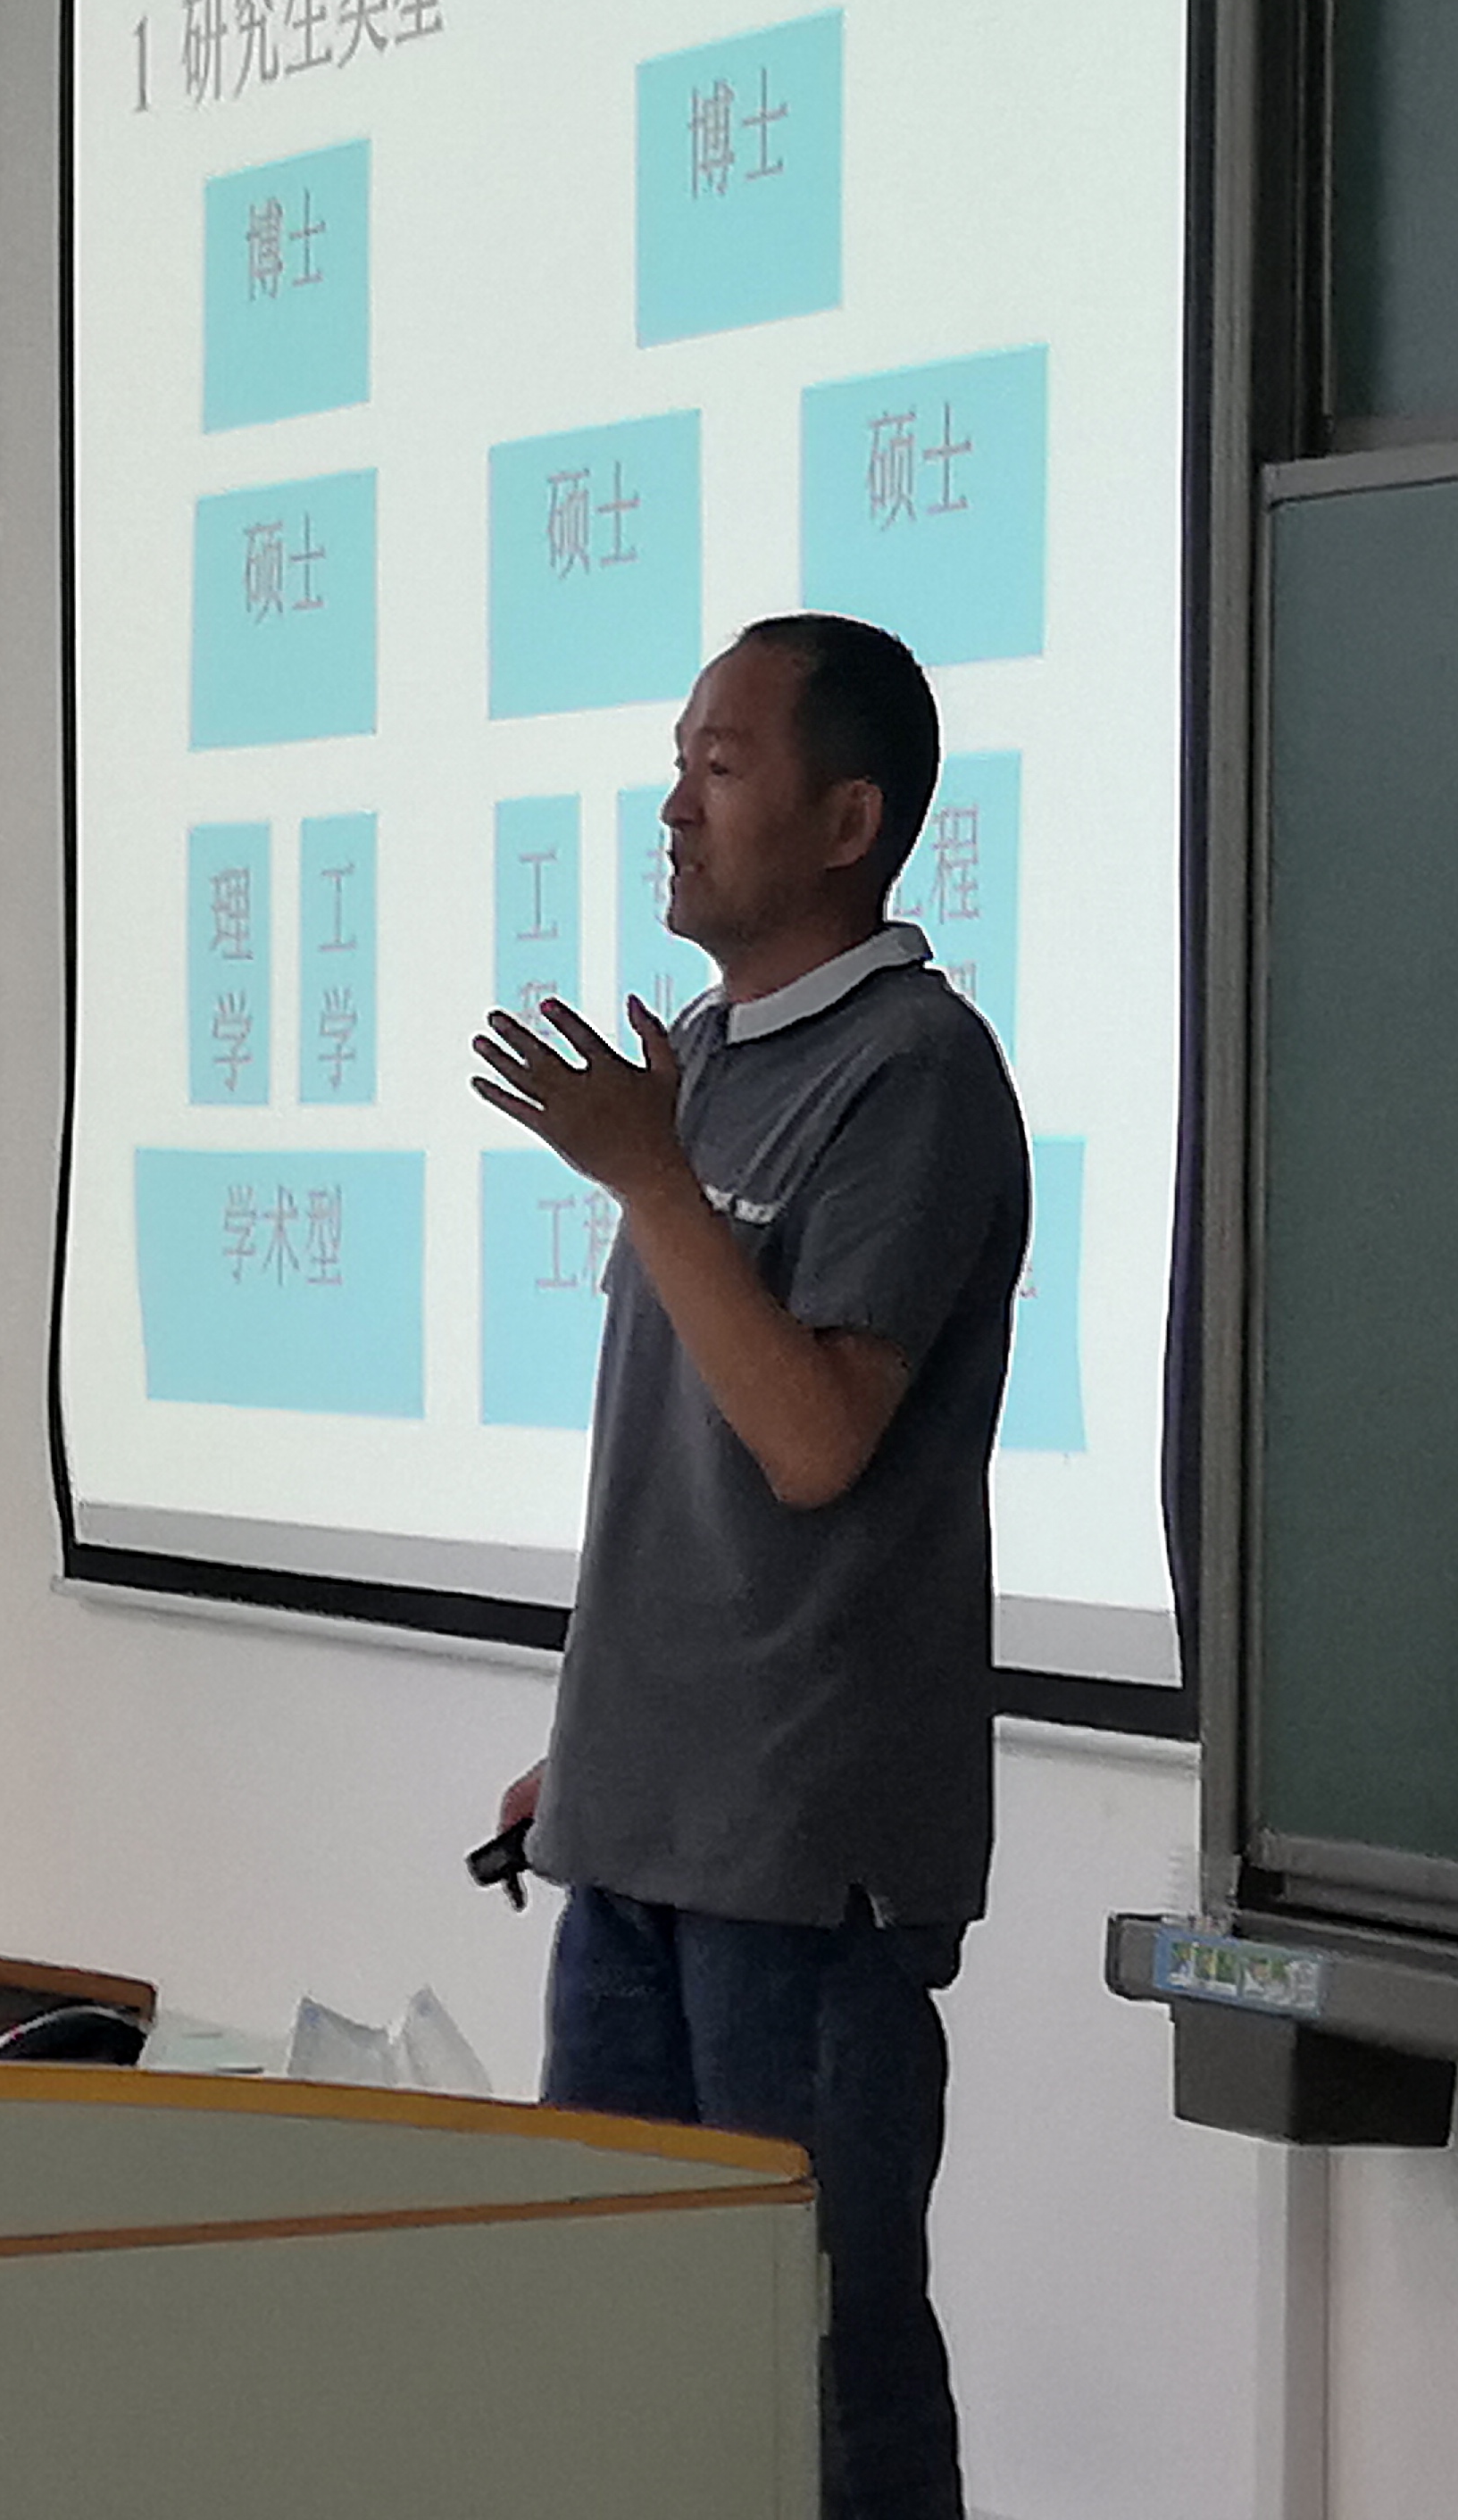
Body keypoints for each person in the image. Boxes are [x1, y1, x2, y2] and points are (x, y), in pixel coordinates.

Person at [468, 613, 1029, 2520]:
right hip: (642, 1832)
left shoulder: (915, 1073)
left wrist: (650, 1178)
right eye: (678, 765)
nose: (675, 809)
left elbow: (813, 1440)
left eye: (721, 767)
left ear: (851, 820)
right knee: (624, 2361)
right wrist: (605, 1740)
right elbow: (688, 1469)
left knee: (819, 2372)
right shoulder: (697, 1058)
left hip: (803, 1858)